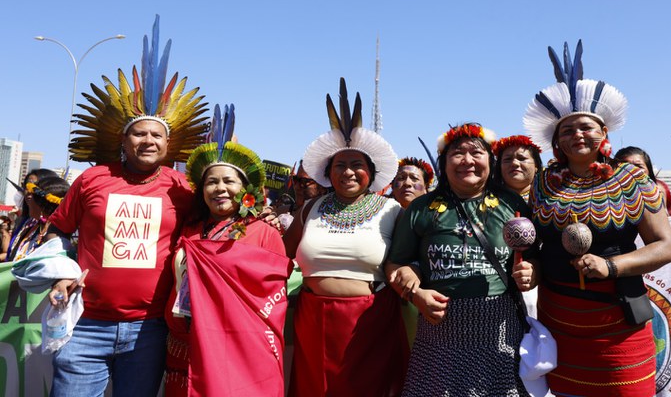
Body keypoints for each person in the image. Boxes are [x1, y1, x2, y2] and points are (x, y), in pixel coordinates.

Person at [46, 16, 208, 397]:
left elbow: (209, 237)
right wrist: (59, 273)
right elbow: (57, 231)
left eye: (157, 134)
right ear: (124, 138)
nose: (148, 140)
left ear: (169, 145)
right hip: (85, 324)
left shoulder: (183, 187)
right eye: (139, 133)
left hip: (150, 330)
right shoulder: (92, 179)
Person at [522, 40, 671, 396]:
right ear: (556, 141)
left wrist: (612, 265)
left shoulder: (632, 178)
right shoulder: (543, 182)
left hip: (619, 323)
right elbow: (534, 244)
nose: (577, 134)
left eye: (586, 127)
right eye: (567, 130)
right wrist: (530, 266)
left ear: (604, 133)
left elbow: (666, 248)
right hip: (558, 321)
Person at [283, 78, 408, 397]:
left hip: (371, 322)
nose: (348, 172)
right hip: (312, 321)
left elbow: (410, 262)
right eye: (340, 165)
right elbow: (279, 260)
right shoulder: (309, 209)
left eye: (357, 165)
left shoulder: (392, 210)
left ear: (371, 171)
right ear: (328, 172)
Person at [387, 123, 533, 396]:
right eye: (457, 153)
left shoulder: (511, 204)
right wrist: (416, 293)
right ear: (444, 163)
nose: (467, 160)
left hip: (499, 332)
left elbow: (535, 256)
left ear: (490, 160)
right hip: (439, 333)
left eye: (476, 153)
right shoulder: (421, 208)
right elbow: (396, 264)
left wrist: (532, 272)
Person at [165, 104, 292, 396]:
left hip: (237, 350)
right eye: (212, 182)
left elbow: (274, 298)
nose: (219, 188)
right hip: (183, 346)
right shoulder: (190, 228)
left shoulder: (264, 232)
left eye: (228, 181)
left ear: (245, 189)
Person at [7, 176, 69, 261]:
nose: (28, 199)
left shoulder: (56, 237)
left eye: (32, 196)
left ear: (41, 205)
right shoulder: (33, 227)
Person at [615, 145, 671, 216]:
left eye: (638, 166)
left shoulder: (659, 190)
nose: (633, 170)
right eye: (625, 166)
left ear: (648, 170)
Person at [491, 135, 542, 202]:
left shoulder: (549, 198)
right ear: (499, 166)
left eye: (522, 159)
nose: (514, 163)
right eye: (508, 159)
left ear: (536, 166)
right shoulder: (486, 199)